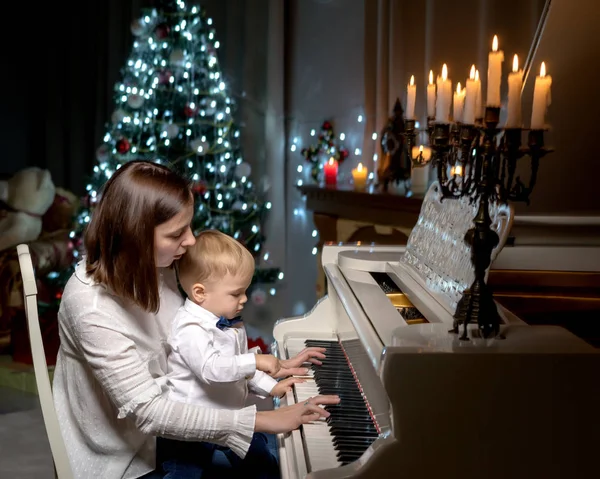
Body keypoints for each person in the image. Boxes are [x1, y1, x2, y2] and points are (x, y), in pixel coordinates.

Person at [52, 160, 340, 479]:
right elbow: (150, 413)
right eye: (177, 233)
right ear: (136, 236)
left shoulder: (159, 268)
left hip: (174, 430)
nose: (190, 241)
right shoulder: (90, 305)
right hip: (129, 460)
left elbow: (199, 351)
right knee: (277, 459)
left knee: (280, 457)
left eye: (189, 227)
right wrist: (261, 420)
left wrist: (268, 372)